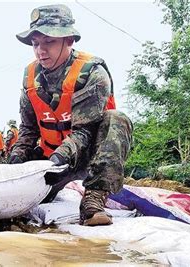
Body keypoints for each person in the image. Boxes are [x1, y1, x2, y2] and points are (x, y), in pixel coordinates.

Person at [10, 5, 133, 226]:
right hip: (50, 158)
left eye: (49, 42)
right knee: (18, 204)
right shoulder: (30, 76)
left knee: (117, 118)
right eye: (36, 43)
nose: (40, 51)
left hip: (86, 156)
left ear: (69, 40)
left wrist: (58, 160)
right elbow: (28, 130)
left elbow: (85, 131)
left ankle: (93, 201)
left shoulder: (92, 73)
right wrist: (15, 161)